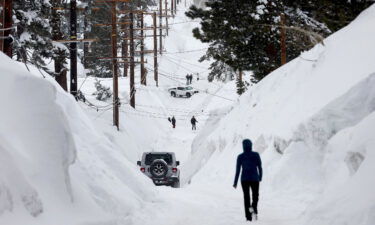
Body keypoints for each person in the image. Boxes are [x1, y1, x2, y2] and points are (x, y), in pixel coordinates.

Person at [233, 139, 262, 221]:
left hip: (244, 179)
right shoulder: (256, 155)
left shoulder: (240, 156)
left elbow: (238, 170)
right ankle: (254, 209)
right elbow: (260, 166)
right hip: (254, 179)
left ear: (243, 146)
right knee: (255, 196)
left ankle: (248, 218)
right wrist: (260, 176)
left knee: (246, 198)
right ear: (251, 145)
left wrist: (235, 182)